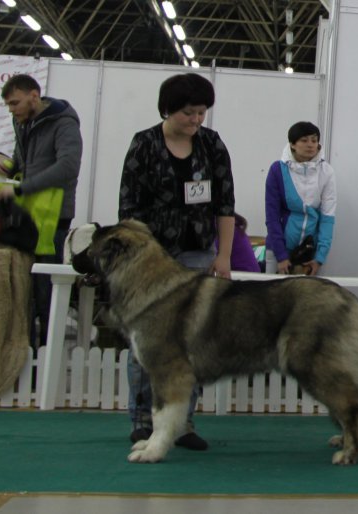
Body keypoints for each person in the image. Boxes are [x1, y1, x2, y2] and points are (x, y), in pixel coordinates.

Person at [118, 73, 236, 451]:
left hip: (197, 255)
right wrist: (137, 262)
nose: (196, 120)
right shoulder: (144, 144)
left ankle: (182, 422)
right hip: (150, 260)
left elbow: (225, 205)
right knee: (147, 342)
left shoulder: (212, 145)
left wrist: (223, 255)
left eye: (202, 112)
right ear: (167, 109)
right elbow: (128, 210)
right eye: (189, 112)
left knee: (192, 341)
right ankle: (142, 420)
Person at [0, 74, 82, 350]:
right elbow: (22, 162)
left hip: (54, 217)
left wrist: (23, 188)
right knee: (24, 292)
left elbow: (68, 167)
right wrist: (7, 167)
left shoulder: (64, 123)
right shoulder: (22, 122)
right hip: (28, 217)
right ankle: (27, 360)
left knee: (46, 294)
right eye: (9, 105)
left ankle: (46, 358)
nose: (12, 110)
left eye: (15, 103)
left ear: (34, 96)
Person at [265, 121, 336, 275]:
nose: (310, 145)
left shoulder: (327, 172)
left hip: (310, 253)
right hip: (278, 250)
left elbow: (327, 217)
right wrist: (281, 255)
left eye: (314, 140)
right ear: (292, 144)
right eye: (304, 140)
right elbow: (272, 216)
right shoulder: (277, 170)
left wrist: (320, 257)